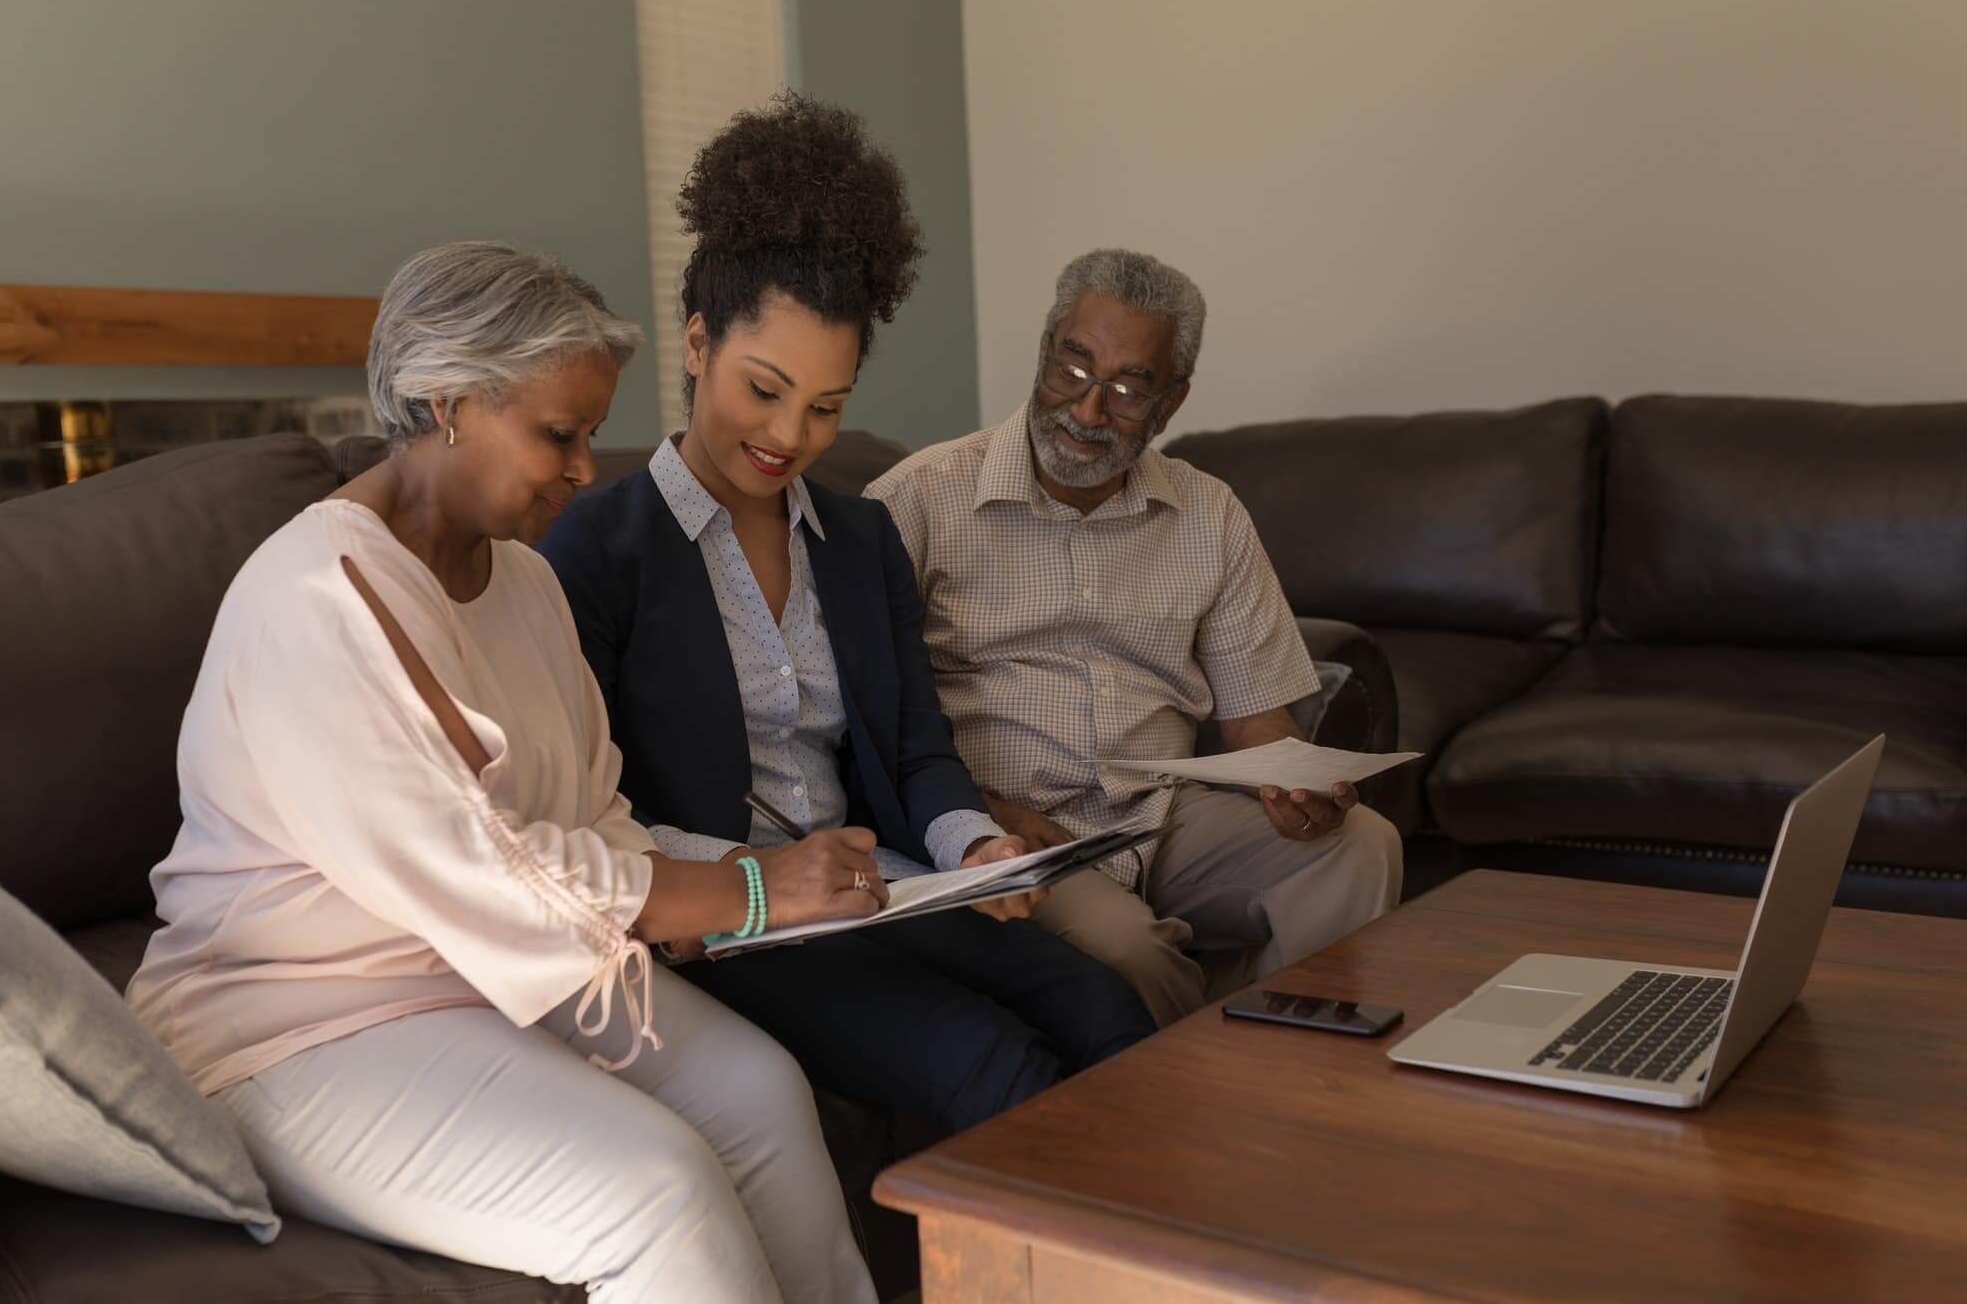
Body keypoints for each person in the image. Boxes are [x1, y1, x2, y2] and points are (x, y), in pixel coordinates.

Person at [126, 242, 879, 1303]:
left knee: (758, 1089)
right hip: (302, 1025)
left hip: (497, 977)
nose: (583, 468)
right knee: (653, 1191)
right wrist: (748, 887)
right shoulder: (318, 599)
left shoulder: (523, 581)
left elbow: (592, 811)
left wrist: (761, 884)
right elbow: (478, 868)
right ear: (446, 403)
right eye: (558, 435)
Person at [539, 95, 1154, 1135]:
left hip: (891, 885)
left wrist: (968, 850)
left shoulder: (860, 538)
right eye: (763, 389)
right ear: (695, 344)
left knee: (1106, 1007)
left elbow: (916, 750)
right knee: (990, 1063)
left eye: (826, 406)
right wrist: (762, 877)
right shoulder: (595, 550)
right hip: (742, 919)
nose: (790, 434)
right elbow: (584, 815)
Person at [868, 247, 1404, 1027]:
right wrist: (975, 810)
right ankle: (1195, 1104)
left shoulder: (1209, 513)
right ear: (1046, 349)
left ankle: (1288, 1078)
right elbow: (865, 721)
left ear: (1171, 402)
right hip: (1015, 832)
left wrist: (1296, 782)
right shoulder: (917, 501)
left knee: (1362, 846)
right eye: (1072, 368)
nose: (1087, 410)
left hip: (1161, 815)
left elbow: (1259, 721)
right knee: (1128, 951)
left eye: (1126, 389)